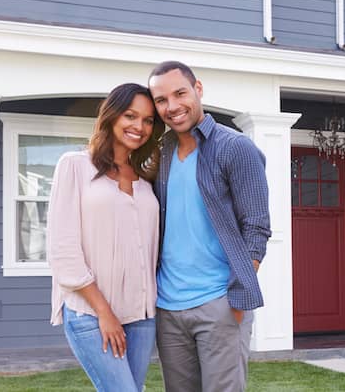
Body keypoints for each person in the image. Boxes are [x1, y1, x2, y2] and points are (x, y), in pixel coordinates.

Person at [147, 61, 271, 392]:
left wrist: (237, 294)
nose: (172, 107)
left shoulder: (235, 147)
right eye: (161, 100)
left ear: (198, 89)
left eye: (180, 93)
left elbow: (257, 228)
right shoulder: (162, 152)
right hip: (168, 306)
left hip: (219, 303)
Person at [47, 83, 164, 392]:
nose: (139, 127)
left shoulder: (148, 179)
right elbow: (63, 250)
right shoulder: (74, 166)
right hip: (91, 313)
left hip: (142, 317)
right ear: (111, 116)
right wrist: (104, 312)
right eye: (130, 115)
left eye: (148, 120)